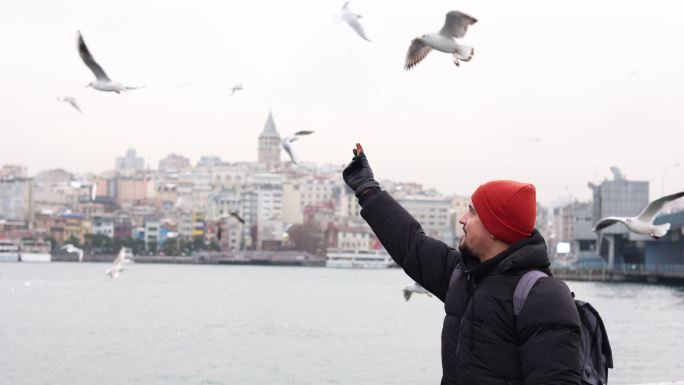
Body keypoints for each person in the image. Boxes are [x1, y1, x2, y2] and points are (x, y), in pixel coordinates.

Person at [342, 143, 581, 385]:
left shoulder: (543, 297)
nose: (463, 219)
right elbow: (411, 244)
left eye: (473, 212)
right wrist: (367, 189)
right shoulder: (464, 275)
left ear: (496, 228)